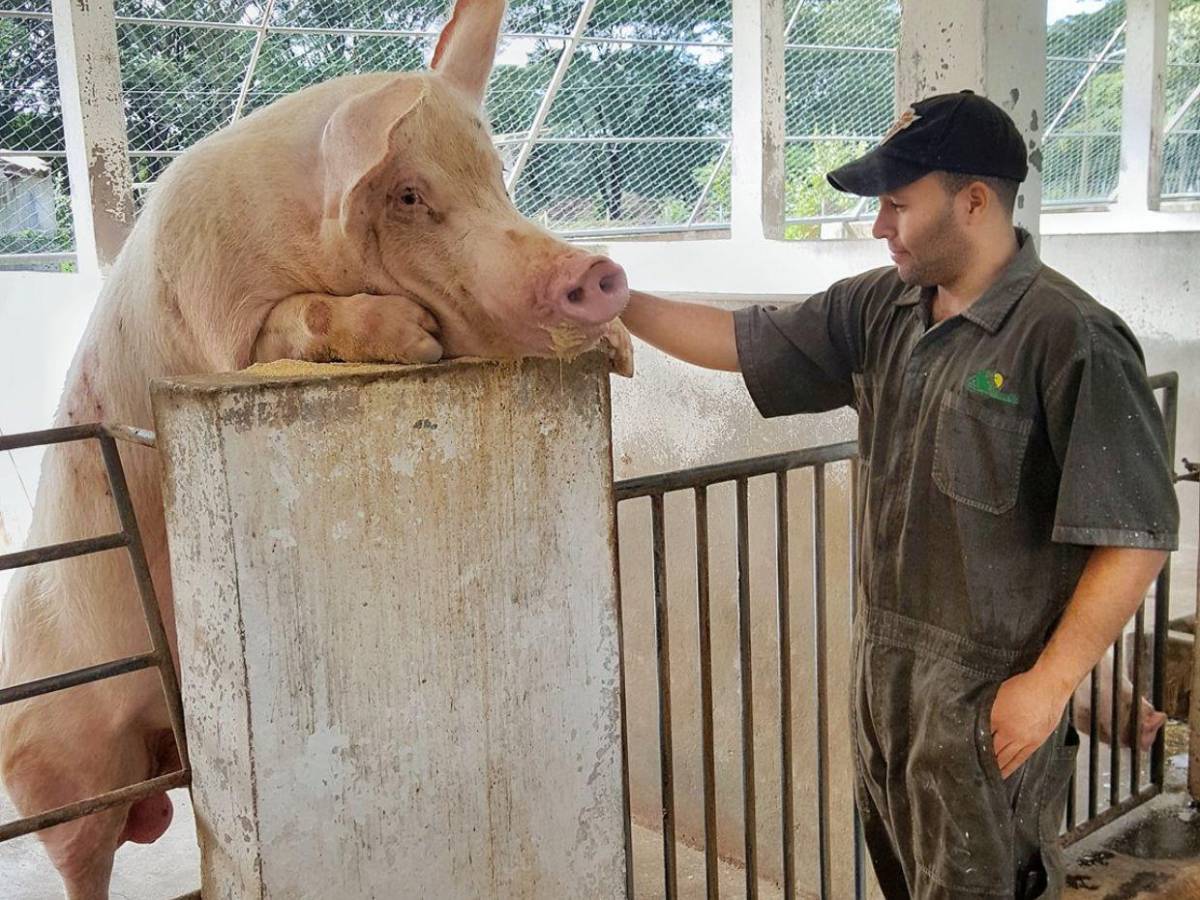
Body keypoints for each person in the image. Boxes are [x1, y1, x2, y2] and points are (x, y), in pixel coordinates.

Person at [620, 91, 1179, 898]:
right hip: (886, 684)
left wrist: (1054, 684)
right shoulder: (882, 308)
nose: (879, 226)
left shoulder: (1068, 337)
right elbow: (745, 344)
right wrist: (616, 299)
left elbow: (1135, 534)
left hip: (991, 699)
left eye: (896, 204)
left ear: (974, 201)